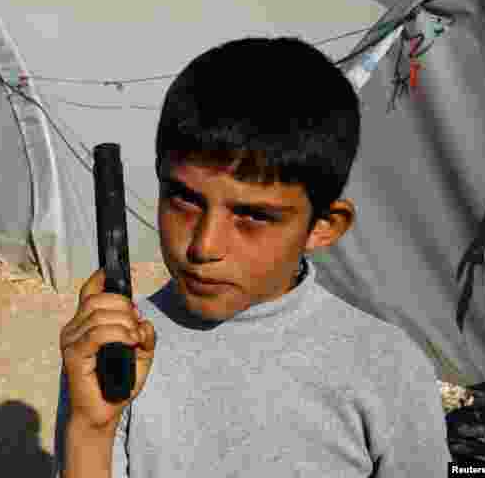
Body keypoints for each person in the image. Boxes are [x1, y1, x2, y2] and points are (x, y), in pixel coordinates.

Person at [54, 37, 451, 477]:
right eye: (184, 200)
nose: (204, 246)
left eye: (252, 216)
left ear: (323, 226)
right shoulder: (115, 349)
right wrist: (91, 429)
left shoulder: (386, 367)